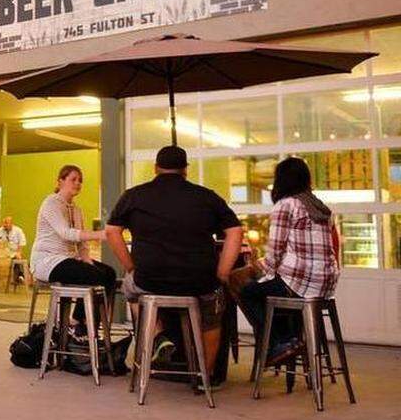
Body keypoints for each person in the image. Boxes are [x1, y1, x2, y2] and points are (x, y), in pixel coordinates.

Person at [105, 145, 243, 377]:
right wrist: (221, 273)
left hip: (150, 279)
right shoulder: (206, 196)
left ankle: (159, 336)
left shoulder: (135, 195)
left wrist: (131, 267)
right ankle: (204, 375)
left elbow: (111, 231)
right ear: (185, 170)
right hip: (199, 282)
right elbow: (235, 232)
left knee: (131, 288)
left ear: (155, 168)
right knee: (212, 317)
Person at [237, 156, 340, 366]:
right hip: (326, 285)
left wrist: (259, 272)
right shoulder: (320, 207)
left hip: (300, 283)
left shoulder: (286, 205)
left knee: (247, 292)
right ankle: (290, 342)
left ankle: (279, 345)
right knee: (273, 292)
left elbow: (274, 254)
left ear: (281, 180)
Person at [30, 166, 112, 338]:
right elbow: (66, 233)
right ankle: (79, 323)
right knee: (94, 276)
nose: (78, 183)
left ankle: (91, 326)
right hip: (48, 260)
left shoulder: (76, 209)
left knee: (108, 274)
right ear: (60, 181)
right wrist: (101, 234)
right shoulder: (51, 203)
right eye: (73, 179)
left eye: (80, 180)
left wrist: (88, 261)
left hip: (68, 259)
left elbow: (81, 244)